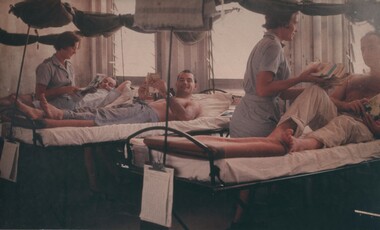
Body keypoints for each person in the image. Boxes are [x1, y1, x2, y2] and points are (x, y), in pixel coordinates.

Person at [229, 10, 326, 138]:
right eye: (295, 23)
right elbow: (263, 89)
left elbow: (283, 94)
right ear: (284, 23)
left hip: (245, 121)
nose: (296, 29)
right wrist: (300, 78)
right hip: (256, 124)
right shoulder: (272, 46)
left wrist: (310, 89)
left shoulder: (267, 43)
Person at [16, 70, 202, 128]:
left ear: (195, 86)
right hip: (140, 107)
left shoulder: (193, 103)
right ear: (176, 83)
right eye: (181, 80)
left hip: (148, 116)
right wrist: (146, 89)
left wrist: (164, 94)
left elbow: (185, 116)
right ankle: (44, 112)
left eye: (189, 81)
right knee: (98, 111)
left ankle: (56, 115)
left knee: (104, 117)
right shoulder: (170, 97)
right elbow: (144, 97)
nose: (184, 83)